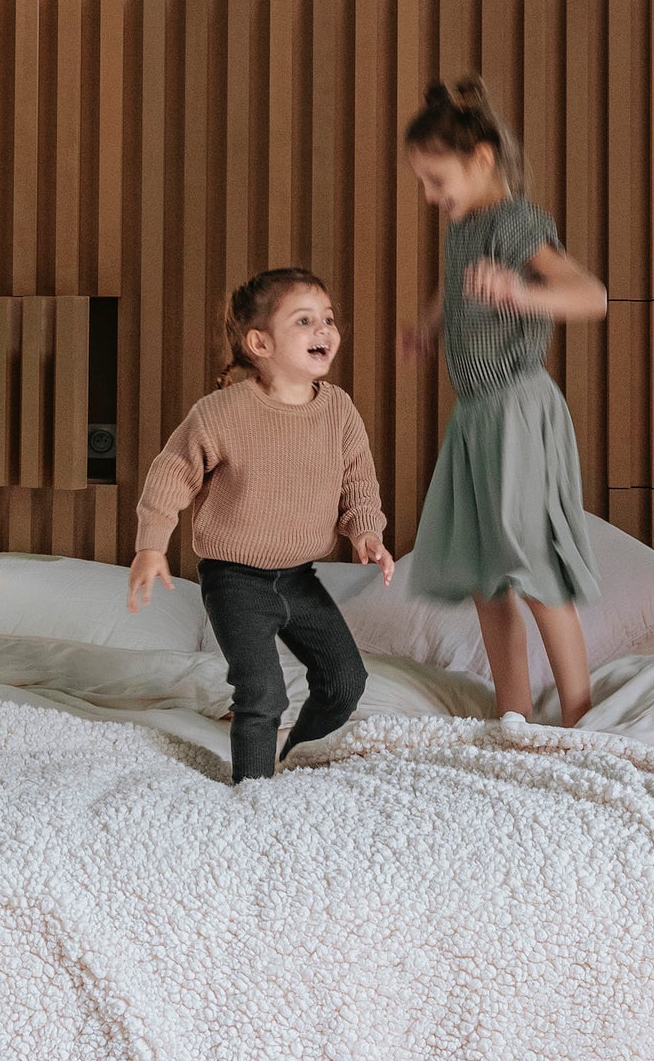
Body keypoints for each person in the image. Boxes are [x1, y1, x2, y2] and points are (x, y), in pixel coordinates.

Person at [129, 268, 392, 783]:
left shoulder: (338, 410)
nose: (324, 330)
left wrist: (366, 531)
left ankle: (296, 760)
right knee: (262, 692)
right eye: (305, 320)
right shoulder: (220, 413)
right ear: (260, 342)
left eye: (329, 319)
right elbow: (172, 473)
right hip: (235, 580)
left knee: (345, 681)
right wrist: (151, 546)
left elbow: (357, 481)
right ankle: (253, 790)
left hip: (299, 578)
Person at [400, 76, 607, 725]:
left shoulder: (516, 223)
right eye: (422, 184)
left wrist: (525, 296)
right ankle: (511, 713)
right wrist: (432, 324)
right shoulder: (464, 228)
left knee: (532, 562)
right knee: (487, 574)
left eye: (437, 181)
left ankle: (578, 711)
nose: (430, 196)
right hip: (476, 416)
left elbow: (591, 296)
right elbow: (458, 287)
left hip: (518, 407)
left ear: (482, 159)